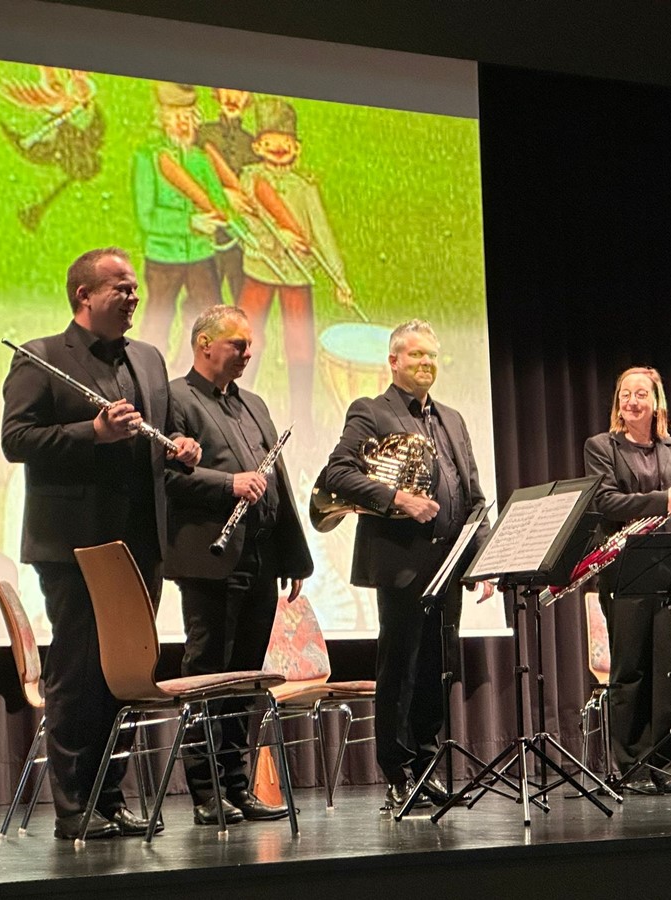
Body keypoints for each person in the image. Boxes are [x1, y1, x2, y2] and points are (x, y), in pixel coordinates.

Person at [1, 247, 202, 839]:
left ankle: (110, 798)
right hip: (75, 547)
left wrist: (181, 449)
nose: (133, 297)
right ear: (83, 295)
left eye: (135, 288)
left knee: (126, 676)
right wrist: (92, 431)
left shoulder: (148, 358)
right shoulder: (40, 357)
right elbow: (17, 439)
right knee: (80, 674)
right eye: (121, 288)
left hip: (142, 547)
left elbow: (160, 436)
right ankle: (75, 808)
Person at [322, 318, 491, 811]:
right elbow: (337, 473)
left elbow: (474, 495)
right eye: (416, 355)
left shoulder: (452, 419)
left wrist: (483, 557)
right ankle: (398, 773)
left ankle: (426, 767)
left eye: (432, 356)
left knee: (438, 669)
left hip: (449, 564)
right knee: (401, 670)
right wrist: (398, 499)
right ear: (393, 361)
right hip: (401, 563)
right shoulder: (371, 411)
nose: (426, 363)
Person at [164, 305, 314, 823]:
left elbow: (277, 480)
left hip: (260, 558)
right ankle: (206, 793)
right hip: (209, 559)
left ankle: (236, 784)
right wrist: (228, 484)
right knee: (208, 676)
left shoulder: (254, 404)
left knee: (247, 680)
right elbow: (167, 478)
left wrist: (291, 554)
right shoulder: (175, 399)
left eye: (250, 345)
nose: (248, 353)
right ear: (205, 344)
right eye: (237, 344)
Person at [583, 366, 671, 794]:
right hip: (624, 567)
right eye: (625, 394)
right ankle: (632, 765)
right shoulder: (601, 446)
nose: (632, 401)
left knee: (667, 670)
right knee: (630, 669)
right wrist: (664, 500)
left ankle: (666, 763)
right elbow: (605, 501)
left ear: (656, 402)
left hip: (670, 567)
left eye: (641, 394)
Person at [237, 98, 353, 436]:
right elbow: (246, 221)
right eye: (270, 141)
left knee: (300, 342)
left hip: (296, 274)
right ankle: (234, 404)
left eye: (285, 141)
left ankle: (302, 416)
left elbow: (322, 234)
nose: (278, 147)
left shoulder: (304, 188)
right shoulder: (249, 179)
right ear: (258, 146)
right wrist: (276, 237)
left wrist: (339, 279)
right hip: (260, 269)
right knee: (247, 335)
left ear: (296, 148)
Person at [133, 82, 227, 371]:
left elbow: (219, 202)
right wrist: (190, 222)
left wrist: (219, 217)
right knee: (159, 318)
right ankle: (147, 374)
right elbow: (146, 216)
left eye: (188, 116)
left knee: (210, 317)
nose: (183, 123)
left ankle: (197, 372)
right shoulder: (147, 158)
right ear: (163, 119)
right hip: (163, 255)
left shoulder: (200, 160)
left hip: (201, 254)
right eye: (176, 117)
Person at [196, 88, 257, 302]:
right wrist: (223, 194)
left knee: (242, 295)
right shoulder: (202, 134)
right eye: (227, 91)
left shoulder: (252, 144)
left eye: (240, 92)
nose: (232, 98)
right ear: (217, 93)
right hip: (207, 231)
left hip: (240, 236)